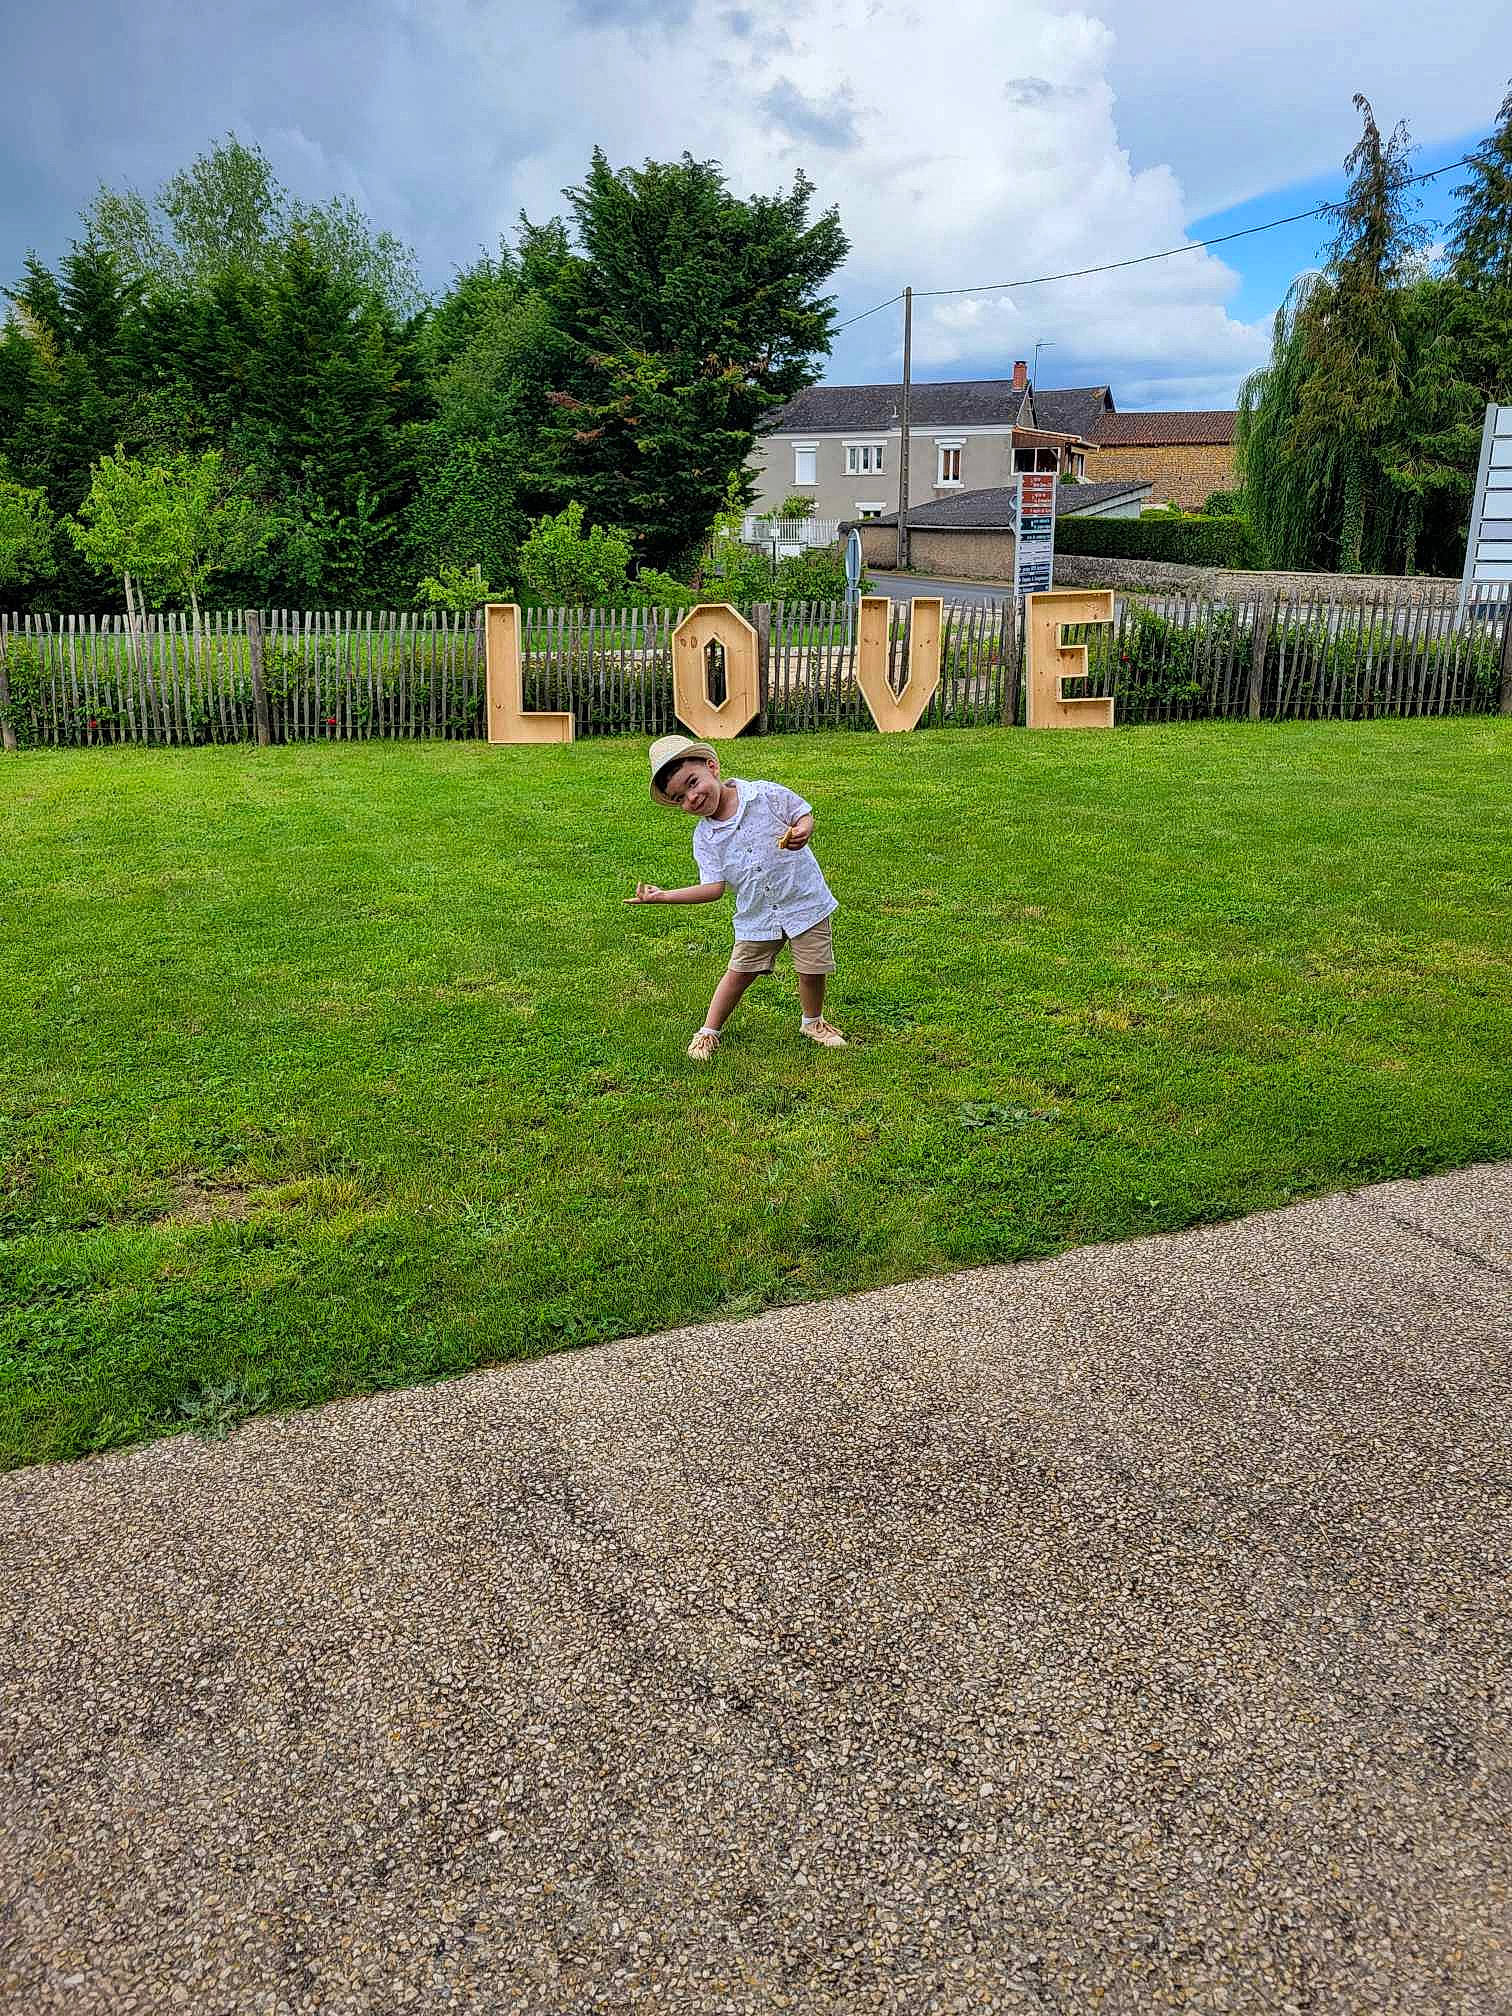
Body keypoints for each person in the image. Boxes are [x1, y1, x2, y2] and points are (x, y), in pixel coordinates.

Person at [626, 734, 847, 1061]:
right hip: (758, 914)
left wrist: (804, 829)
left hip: (804, 900)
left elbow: (802, 812)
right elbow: (713, 888)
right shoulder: (705, 837)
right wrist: (664, 896)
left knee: (811, 969)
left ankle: (812, 1023)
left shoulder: (765, 795)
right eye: (680, 798)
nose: (692, 797)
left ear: (711, 767)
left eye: (692, 783)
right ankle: (708, 1031)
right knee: (739, 973)